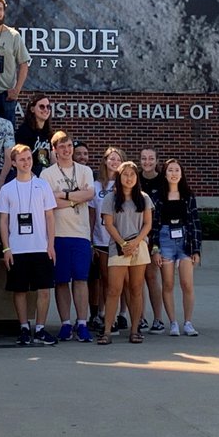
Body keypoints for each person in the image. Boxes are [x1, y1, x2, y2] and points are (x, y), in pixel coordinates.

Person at [0, 144, 57, 346]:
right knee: (20, 290)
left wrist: (51, 244)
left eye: (29, 158)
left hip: (41, 247)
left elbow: (50, 217)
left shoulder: (43, 186)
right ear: (14, 163)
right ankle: (24, 327)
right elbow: (3, 221)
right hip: (17, 248)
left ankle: (40, 329)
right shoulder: (7, 189)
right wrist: (6, 248)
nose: (26, 162)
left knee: (44, 290)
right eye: (22, 159)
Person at [40, 131, 96, 342]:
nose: (66, 150)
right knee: (62, 280)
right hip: (58, 234)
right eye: (62, 147)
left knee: (81, 279)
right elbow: (49, 202)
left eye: (69, 146)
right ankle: (65, 323)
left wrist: (63, 195)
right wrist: (76, 197)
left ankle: (82, 323)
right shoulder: (47, 174)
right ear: (54, 150)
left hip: (80, 233)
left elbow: (89, 194)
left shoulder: (84, 170)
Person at [97, 160, 153, 345]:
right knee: (114, 289)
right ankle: (107, 331)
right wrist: (123, 243)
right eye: (125, 174)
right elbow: (108, 224)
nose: (129, 178)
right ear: (119, 177)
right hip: (118, 247)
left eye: (132, 174)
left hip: (139, 246)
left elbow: (148, 224)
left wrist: (135, 243)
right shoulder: (110, 198)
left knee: (136, 289)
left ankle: (135, 330)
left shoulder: (144, 198)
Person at [149, 158, 203, 337]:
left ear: (181, 174)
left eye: (177, 170)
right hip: (165, 240)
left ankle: (188, 322)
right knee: (168, 283)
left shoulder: (188, 195)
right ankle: (173, 322)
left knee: (187, 283)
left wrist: (196, 249)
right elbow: (153, 225)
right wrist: (155, 249)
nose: (174, 173)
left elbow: (195, 222)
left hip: (185, 241)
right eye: (170, 170)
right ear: (165, 174)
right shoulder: (158, 196)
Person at [89, 146, 124, 335]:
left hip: (119, 240)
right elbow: (92, 215)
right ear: (104, 161)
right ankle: (103, 315)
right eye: (111, 158)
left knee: (116, 281)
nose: (114, 162)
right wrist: (90, 240)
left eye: (118, 159)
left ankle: (116, 316)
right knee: (104, 279)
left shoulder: (125, 184)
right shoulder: (96, 185)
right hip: (101, 239)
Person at [0, 0, 31, 124]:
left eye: (0, 9)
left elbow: (24, 64)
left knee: (7, 133)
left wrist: (17, 90)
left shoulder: (14, 35)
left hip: (6, 95)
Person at [138, 148, 167, 333]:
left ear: (156, 161)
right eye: (143, 158)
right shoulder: (135, 179)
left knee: (151, 276)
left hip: (156, 234)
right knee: (137, 279)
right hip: (137, 234)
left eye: (150, 158)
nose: (147, 162)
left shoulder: (163, 182)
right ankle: (140, 318)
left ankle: (158, 319)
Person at [14, 92, 54, 175]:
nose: (46, 110)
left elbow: (52, 158)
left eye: (48, 107)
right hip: (30, 173)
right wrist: (34, 178)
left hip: (46, 172)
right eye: (42, 107)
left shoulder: (48, 132)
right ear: (32, 109)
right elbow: (20, 158)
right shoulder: (24, 131)